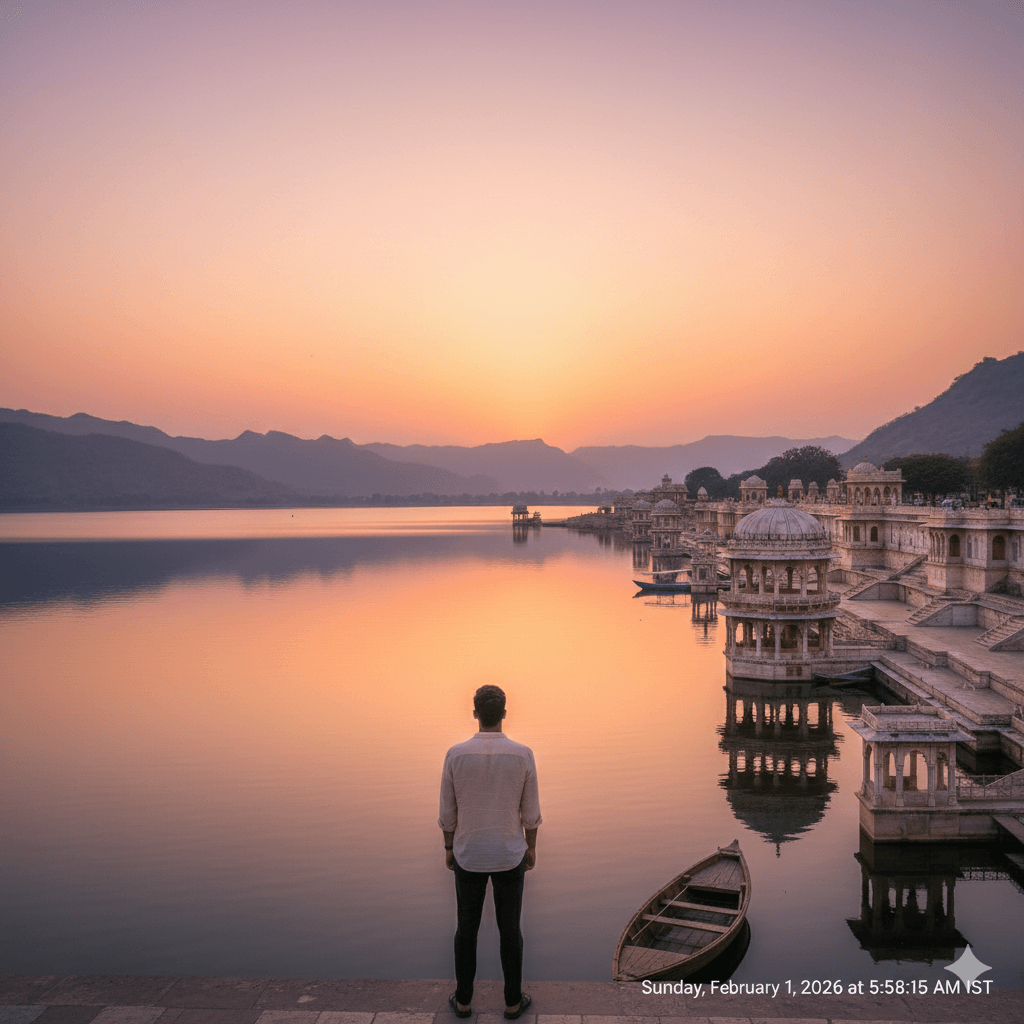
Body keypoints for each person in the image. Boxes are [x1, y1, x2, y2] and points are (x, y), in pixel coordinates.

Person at [439, 685, 541, 1020]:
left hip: (468, 854)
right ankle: (512, 1002)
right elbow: (531, 812)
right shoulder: (522, 754)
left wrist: (449, 848)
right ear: (504, 714)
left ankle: (464, 1001)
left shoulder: (455, 754)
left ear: (475, 714)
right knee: (510, 929)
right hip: (509, 853)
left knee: (465, 929)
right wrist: (531, 848)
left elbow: (448, 812)